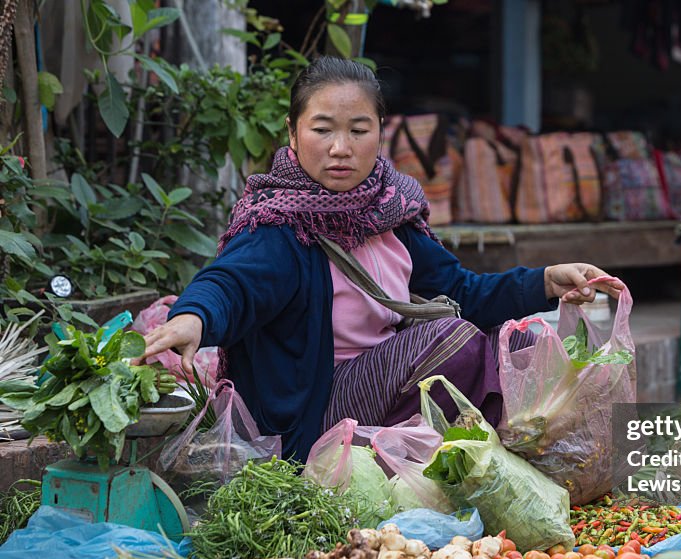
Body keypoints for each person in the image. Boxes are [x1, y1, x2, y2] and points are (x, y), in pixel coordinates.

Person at [139, 56, 624, 463]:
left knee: (514, 341)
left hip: (381, 391)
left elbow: (460, 292)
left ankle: (481, 452)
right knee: (448, 338)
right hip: (311, 414)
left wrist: (544, 282)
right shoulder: (282, 225)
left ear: (379, 133)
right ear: (292, 133)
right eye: (322, 129)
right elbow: (232, 284)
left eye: (358, 130)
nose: (340, 148)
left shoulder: (390, 213)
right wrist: (194, 317)